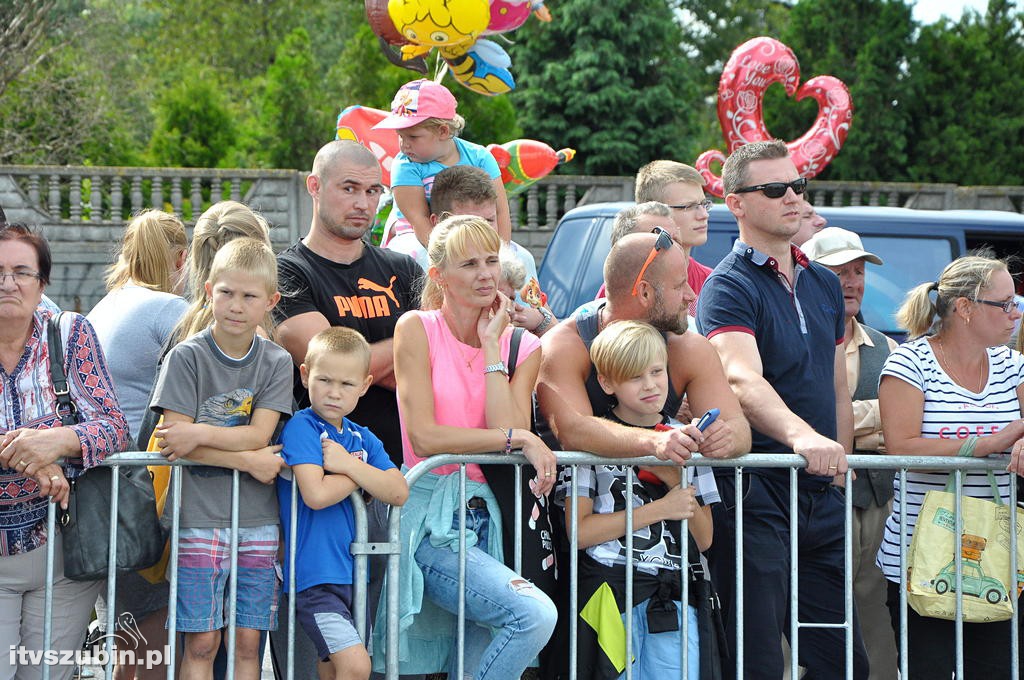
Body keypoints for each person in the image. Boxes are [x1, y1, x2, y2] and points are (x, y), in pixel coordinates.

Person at [695, 139, 867, 680]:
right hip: (757, 493)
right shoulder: (727, 285)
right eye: (775, 189)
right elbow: (742, 377)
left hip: (821, 495)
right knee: (759, 662)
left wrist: (839, 466)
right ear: (737, 203)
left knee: (843, 665)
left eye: (798, 186)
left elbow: (836, 387)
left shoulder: (821, 280)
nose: (793, 197)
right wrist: (802, 439)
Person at [377, 215, 558, 678]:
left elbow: (506, 433)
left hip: (495, 517)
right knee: (533, 614)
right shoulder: (415, 327)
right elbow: (424, 436)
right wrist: (516, 437)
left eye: (492, 261)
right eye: (469, 263)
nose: (485, 273)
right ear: (438, 275)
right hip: (432, 518)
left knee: (476, 656)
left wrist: (492, 348)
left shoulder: (523, 345)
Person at [274, 139, 421, 679]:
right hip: (315, 500)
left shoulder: (403, 269)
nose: (364, 202)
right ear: (314, 187)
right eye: (349, 188)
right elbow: (316, 354)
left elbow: (435, 356)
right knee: (315, 659)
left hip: (386, 480)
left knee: (377, 655)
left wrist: (384, 360)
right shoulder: (287, 272)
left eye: (374, 191)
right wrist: (406, 348)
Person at [150, 237, 293, 680]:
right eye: (226, 292)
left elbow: (259, 433)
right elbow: (174, 442)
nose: (236, 305)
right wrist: (246, 460)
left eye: (249, 296)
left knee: (248, 643)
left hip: (257, 522)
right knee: (202, 640)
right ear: (209, 289)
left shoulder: (276, 361)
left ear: (270, 301)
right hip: (198, 517)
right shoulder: (186, 357)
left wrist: (200, 434)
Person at [878, 252, 1024, 678]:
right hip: (922, 555)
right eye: (1006, 304)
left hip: (996, 555)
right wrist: (989, 443)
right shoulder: (910, 362)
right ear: (965, 308)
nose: (1015, 314)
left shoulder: (1012, 364)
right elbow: (902, 447)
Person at [0, 223, 131, 680]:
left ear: (42, 284)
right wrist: (28, 455)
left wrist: (58, 442)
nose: (8, 283)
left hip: (65, 550)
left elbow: (114, 427)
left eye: (21, 271)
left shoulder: (70, 334)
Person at [561, 320, 719, 680]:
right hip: (609, 594)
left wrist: (672, 477)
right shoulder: (592, 441)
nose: (650, 385)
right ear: (607, 383)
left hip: (677, 596)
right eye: (635, 377)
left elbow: (705, 538)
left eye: (656, 371)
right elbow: (579, 532)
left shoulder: (689, 440)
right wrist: (659, 509)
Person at [86, 209, 189, 680]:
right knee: (152, 621)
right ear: (181, 259)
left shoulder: (105, 303)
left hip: (102, 478)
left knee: (122, 619)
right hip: (140, 483)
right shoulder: (168, 309)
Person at [277, 327, 409, 680]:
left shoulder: (360, 437)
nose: (334, 392)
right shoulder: (302, 428)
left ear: (365, 385)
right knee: (356, 665)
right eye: (324, 380)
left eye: (347, 384)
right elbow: (316, 494)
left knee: (334, 668)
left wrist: (349, 464)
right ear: (305, 375)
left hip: (354, 576)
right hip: (314, 577)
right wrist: (362, 475)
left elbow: (397, 490)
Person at [803, 227, 898, 680]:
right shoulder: (794, 340)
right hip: (810, 493)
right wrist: (872, 419)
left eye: (858, 271)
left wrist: (844, 419)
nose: (853, 281)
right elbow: (799, 412)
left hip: (874, 501)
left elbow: (904, 422)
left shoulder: (887, 348)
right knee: (801, 598)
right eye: (841, 271)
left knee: (871, 602)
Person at [374, 79, 512, 253]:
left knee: (523, 258)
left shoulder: (480, 157)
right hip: (420, 239)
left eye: (413, 137)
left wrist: (503, 255)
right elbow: (420, 220)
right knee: (416, 255)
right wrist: (451, 259)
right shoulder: (405, 165)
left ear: (443, 131)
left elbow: (500, 212)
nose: (404, 144)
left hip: (474, 236)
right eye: (400, 135)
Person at [430, 165, 554, 334]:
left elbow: (552, 327)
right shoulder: (421, 262)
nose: (484, 231)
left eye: (489, 220)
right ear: (438, 222)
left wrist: (537, 319)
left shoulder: (517, 256)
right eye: (471, 223)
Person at [634, 160, 714, 316]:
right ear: (653, 212)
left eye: (704, 204)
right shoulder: (625, 282)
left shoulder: (713, 282)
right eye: (689, 206)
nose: (704, 214)